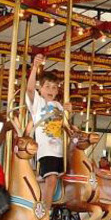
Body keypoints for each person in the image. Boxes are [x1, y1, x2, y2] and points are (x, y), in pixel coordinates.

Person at [26, 54, 67, 211]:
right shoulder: (38, 103)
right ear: (40, 89)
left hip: (60, 150)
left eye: (54, 87)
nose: (51, 90)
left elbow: (64, 126)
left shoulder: (58, 105)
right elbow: (29, 89)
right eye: (47, 87)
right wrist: (35, 68)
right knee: (51, 179)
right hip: (46, 151)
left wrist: (68, 111)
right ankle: (44, 212)